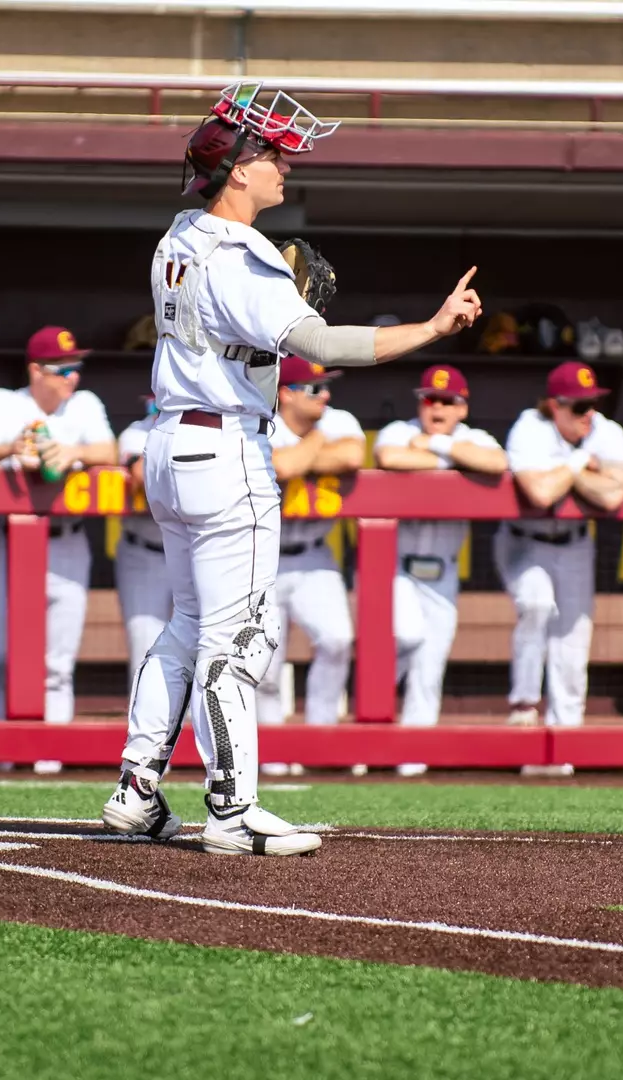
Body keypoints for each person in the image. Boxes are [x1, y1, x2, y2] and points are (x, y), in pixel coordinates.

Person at [101, 80, 482, 856]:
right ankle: (233, 810)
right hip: (225, 449)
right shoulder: (243, 255)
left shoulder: (179, 233)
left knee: (185, 628)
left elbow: (247, 344)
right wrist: (435, 327)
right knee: (239, 637)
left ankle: (138, 790)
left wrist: (263, 343)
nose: (284, 165)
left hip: (170, 442)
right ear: (236, 168)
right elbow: (329, 348)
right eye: (270, 154)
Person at [0, 325, 117, 722]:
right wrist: (11, 447)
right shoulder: (4, 402)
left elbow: (111, 451)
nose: (73, 377)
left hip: (67, 541)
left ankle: (49, 759)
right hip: (12, 539)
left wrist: (73, 452)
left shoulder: (84, 404)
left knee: (58, 664)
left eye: (75, 367)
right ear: (36, 371)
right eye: (63, 369)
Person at [495, 362, 623, 728]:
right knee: (537, 605)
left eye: (592, 403)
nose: (589, 413)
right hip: (524, 541)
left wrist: (563, 474)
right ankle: (524, 707)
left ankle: (566, 735)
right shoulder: (530, 427)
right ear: (555, 405)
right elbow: (540, 494)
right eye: (578, 406)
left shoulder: (605, 429)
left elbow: (612, 495)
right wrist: (578, 464)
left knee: (574, 639)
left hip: (575, 543)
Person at [373, 365, 507, 726]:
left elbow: (496, 463)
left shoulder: (473, 438)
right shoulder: (400, 431)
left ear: (462, 407)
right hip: (397, 568)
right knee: (405, 637)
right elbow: (390, 458)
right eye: (430, 399)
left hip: (443, 571)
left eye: (448, 401)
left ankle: (412, 760)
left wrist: (436, 447)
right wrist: (454, 463)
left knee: (430, 668)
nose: (438, 408)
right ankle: (370, 730)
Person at [255, 356, 366, 726]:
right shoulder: (261, 420)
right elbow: (282, 466)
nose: (325, 396)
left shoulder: (337, 418)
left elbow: (352, 454)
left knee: (337, 640)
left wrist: (307, 451)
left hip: (314, 555)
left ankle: (321, 734)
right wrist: (318, 442)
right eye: (314, 389)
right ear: (285, 394)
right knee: (264, 666)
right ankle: (270, 757)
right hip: (263, 559)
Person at [115, 397, 172, 699]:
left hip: (196, 554)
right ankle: (148, 741)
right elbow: (143, 476)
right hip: (145, 551)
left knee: (207, 652)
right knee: (147, 651)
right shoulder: (137, 433)